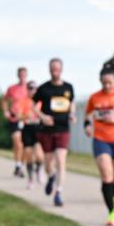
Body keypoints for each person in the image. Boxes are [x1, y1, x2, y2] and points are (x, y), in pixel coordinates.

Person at [84, 58, 114, 226]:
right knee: (106, 175)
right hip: (101, 139)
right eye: (104, 83)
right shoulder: (94, 97)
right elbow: (88, 115)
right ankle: (112, 212)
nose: (107, 86)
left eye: (110, 83)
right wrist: (87, 126)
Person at [33, 58, 76, 207]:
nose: (54, 71)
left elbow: (72, 103)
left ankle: (58, 192)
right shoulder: (43, 88)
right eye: (52, 69)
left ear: (61, 69)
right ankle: (51, 176)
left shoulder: (68, 87)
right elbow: (34, 106)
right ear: (49, 69)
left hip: (63, 128)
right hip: (47, 130)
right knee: (48, 163)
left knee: (60, 160)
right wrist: (43, 117)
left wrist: (72, 114)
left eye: (57, 69)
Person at [3, 67, 30, 177]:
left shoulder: (30, 88)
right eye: (20, 74)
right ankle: (18, 165)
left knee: (25, 145)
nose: (22, 76)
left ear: (26, 75)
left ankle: (20, 166)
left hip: (26, 119)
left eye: (24, 74)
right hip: (14, 118)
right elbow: (4, 100)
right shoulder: (12, 88)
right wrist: (6, 111)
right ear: (18, 75)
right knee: (17, 143)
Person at [21, 80, 44, 189]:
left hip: (38, 128)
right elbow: (18, 115)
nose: (32, 90)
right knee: (29, 155)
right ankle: (30, 179)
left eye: (35, 88)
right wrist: (26, 116)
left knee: (39, 155)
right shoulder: (23, 101)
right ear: (27, 89)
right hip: (27, 128)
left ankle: (39, 170)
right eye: (30, 88)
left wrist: (40, 116)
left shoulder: (41, 101)